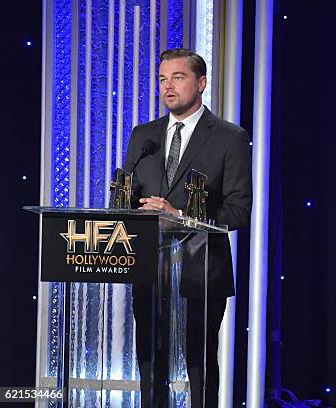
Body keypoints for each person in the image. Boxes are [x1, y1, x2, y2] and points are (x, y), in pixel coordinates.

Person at [124, 48, 252, 408]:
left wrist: (178, 214)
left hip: (201, 272)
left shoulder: (229, 137)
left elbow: (239, 211)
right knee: (150, 361)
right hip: (149, 268)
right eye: (162, 79)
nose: (168, 87)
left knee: (200, 364)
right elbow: (125, 201)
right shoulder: (143, 136)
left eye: (177, 78)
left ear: (201, 83)